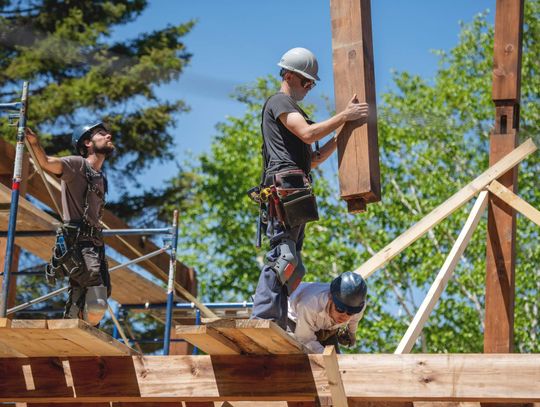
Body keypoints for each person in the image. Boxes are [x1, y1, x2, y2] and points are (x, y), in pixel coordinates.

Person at [251, 47, 369, 329]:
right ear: (289, 75)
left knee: (293, 267)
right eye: (307, 82)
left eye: (312, 83)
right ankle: (263, 318)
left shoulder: (294, 110)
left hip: (296, 189)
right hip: (284, 188)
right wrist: (344, 116)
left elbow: (313, 158)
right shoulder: (279, 102)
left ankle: (279, 321)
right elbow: (307, 133)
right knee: (283, 257)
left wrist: (345, 131)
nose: (310, 87)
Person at [25, 122, 114, 326]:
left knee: (101, 293)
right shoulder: (77, 165)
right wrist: (34, 143)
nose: (108, 136)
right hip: (78, 242)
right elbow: (47, 163)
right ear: (87, 142)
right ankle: (77, 325)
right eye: (102, 134)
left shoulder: (100, 177)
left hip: (94, 242)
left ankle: (76, 321)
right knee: (97, 298)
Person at [288, 271, 367, 354]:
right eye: (340, 309)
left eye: (350, 313)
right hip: (296, 321)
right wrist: (327, 357)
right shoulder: (309, 305)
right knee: (296, 354)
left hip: (322, 325)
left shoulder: (357, 305)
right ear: (330, 297)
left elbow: (354, 320)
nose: (344, 316)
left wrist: (351, 333)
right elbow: (304, 339)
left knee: (337, 364)